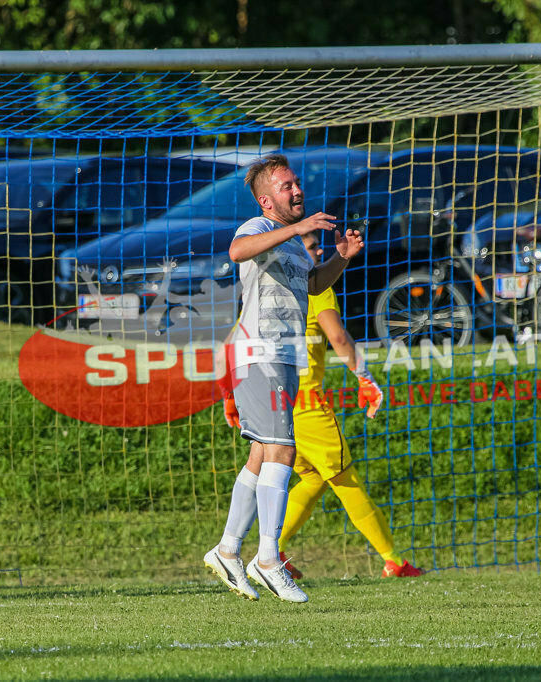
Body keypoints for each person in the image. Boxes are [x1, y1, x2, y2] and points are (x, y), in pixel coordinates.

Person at [203, 154, 364, 603]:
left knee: (262, 454)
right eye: (286, 185)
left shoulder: (294, 244)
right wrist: (297, 228)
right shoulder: (256, 227)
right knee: (284, 450)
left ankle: (227, 550)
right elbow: (237, 252)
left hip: (283, 357)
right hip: (260, 353)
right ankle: (269, 559)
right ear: (266, 200)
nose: (297, 190)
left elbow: (312, 285)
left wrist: (341, 258)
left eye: (296, 183)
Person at [273, 231, 422, 580]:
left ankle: (271, 552)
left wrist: (231, 396)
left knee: (312, 479)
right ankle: (393, 561)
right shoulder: (316, 287)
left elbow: (235, 343)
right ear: (295, 251)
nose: (319, 251)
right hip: (307, 406)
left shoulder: (268, 290)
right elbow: (338, 336)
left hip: (272, 402)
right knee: (346, 480)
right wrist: (365, 377)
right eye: (312, 247)